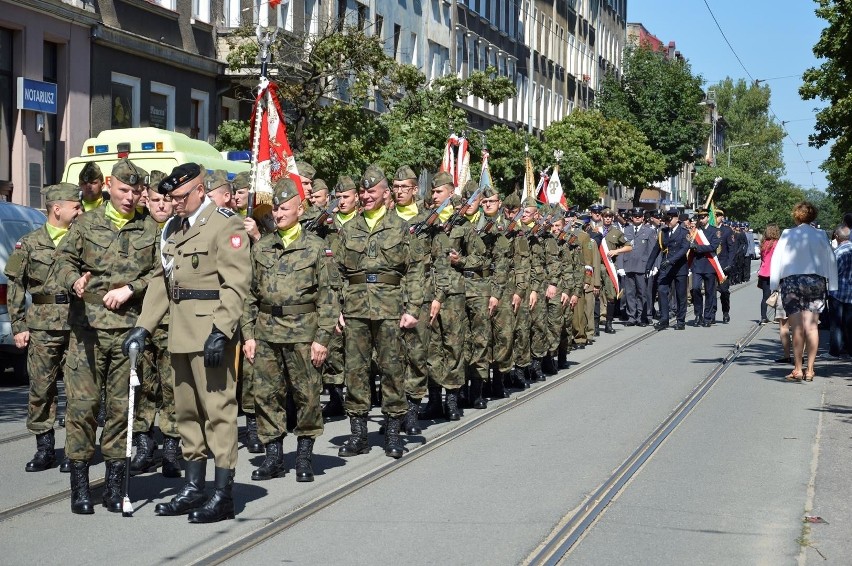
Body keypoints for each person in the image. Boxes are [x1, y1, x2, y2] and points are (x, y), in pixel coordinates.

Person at [123, 162, 250, 523]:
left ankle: (223, 494)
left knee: (219, 414)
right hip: (180, 334)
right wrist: (144, 327)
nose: (174, 203)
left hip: (211, 336)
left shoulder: (226, 224)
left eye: (179, 197)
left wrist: (222, 331)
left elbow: (236, 284)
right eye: (170, 198)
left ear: (199, 191)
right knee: (187, 415)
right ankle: (194, 487)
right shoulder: (174, 228)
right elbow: (166, 283)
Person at [53, 159, 159, 514]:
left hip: (127, 333)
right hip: (87, 333)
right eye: (124, 190)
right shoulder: (86, 225)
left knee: (121, 411)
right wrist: (74, 280)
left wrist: (132, 287)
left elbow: (161, 273)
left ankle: (115, 486)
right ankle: (80, 487)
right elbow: (62, 262)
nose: (130, 198)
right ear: (110, 185)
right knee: (82, 410)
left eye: (136, 192)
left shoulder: (149, 229)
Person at [242, 177, 338, 482]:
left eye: (285, 208)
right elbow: (248, 295)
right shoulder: (262, 247)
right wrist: (248, 335)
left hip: (303, 334)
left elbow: (329, 297)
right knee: (267, 395)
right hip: (267, 334)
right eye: (276, 209)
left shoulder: (316, 248)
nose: (279, 214)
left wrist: (322, 339)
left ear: (299, 208)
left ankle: (304, 457)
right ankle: (274, 457)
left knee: (306, 396)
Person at [334, 165, 424, 459]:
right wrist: (337, 308)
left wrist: (413, 307)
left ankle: (394, 433)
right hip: (357, 307)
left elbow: (414, 271)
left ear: (386, 194)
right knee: (355, 371)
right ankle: (358, 435)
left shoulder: (400, 228)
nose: (366, 195)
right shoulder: (349, 229)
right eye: (363, 191)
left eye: (372, 191)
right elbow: (335, 274)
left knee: (392, 368)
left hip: (390, 307)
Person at [4, 183, 82, 473]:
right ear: (57, 208)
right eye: (75, 206)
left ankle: (75, 451)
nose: (80, 211)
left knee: (78, 391)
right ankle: (45, 449)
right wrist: (18, 325)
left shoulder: (82, 240)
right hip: (41, 328)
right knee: (41, 389)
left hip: (77, 324)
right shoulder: (29, 243)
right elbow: (16, 286)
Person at [130, 171, 182, 478]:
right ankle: (144, 445)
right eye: (156, 199)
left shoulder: (180, 230)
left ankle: (172, 448)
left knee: (173, 385)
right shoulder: (136, 231)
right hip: (139, 321)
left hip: (173, 320)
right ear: (146, 199)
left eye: (166, 199)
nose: (161, 205)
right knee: (142, 385)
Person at [769, 201, 838, 381]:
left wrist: (774, 284)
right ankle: (810, 369)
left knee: (797, 327)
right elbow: (831, 259)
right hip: (815, 281)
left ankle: (798, 368)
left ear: (796, 215)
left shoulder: (788, 234)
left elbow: (777, 259)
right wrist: (833, 285)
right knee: (812, 326)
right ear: (813, 216)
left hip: (792, 281)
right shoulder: (821, 234)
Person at [646, 209, 690, 330]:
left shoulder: (684, 232)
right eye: (665, 220)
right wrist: (648, 266)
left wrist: (671, 260)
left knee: (681, 295)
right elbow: (656, 249)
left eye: (669, 220)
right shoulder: (663, 232)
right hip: (666, 268)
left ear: (676, 218)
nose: (667, 222)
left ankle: (680, 321)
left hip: (679, 267)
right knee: (662, 290)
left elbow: (684, 249)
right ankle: (664, 319)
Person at [620, 207, 656, 326]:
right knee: (629, 293)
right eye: (635, 216)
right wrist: (620, 266)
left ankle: (642, 316)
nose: (637, 218)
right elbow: (621, 248)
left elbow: (652, 250)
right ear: (632, 217)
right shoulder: (626, 230)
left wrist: (653, 266)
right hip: (628, 265)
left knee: (642, 293)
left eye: (639, 216)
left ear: (643, 218)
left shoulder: (649, 231)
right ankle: (631, 316)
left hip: (642, 266)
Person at [689, 209, 721, 327]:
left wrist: (697, 248)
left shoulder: (715, 231)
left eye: (703, 217)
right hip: (697, 264)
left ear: (708, 218)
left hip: (709, 264)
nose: (701, 220)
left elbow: (713, 246)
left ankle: (708, 317)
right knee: (696, 289)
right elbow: (689, 243)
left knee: (709, 292)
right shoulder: (695, 231)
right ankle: (698, 314)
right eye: (699, 218)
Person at [827, 225, 852, 358]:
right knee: (849, 323)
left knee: (836, 323)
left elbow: (832, 273)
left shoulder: (837, 253)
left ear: (837, 237)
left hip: (837, 293)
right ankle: (849, 349)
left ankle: (835, 351)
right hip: (850, 293)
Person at [756, 223, 781, 324]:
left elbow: (762, 258)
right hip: (775, 272)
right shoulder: (777, 243)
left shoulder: (763, 243)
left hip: (764, 272)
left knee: (765, 296)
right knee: (777, 294)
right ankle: (777, 316)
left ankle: (763, 317)